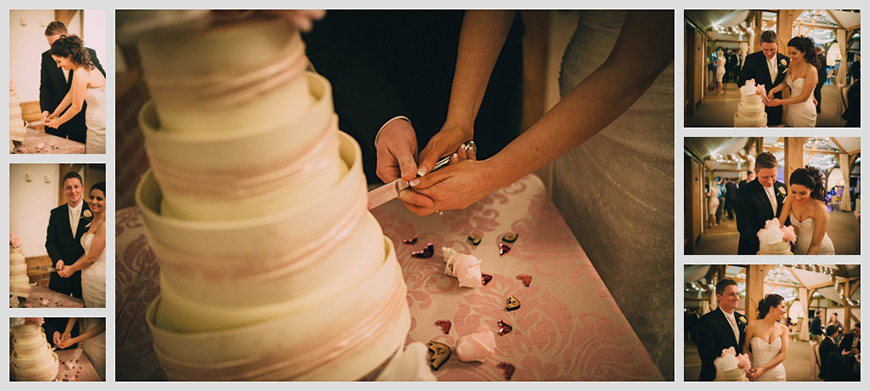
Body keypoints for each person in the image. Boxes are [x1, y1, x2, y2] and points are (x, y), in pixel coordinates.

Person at [396, 11, 674, 374]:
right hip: (574, 124)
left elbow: (633, 65)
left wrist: (489, 176)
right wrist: (459, 120)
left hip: (651, 120)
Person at [303, 10, 524, 184]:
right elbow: (325, 26)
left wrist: (461, 121)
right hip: (369, 74)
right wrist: (384, 121)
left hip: (479, 64)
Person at [39, 21, 105, 144]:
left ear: (68, 54)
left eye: (59, 61)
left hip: (97, 122)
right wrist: (55, 113)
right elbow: (71, 93)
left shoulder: (81, 72)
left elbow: (76, 106)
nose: (58, 66)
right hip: (92, 121)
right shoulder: (80, 67)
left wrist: (57, 122)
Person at [57, 182, 106, 307]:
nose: (94, 201)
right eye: (92, 197)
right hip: (88, 277)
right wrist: (71, 267)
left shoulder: (106, 224)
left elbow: (92, 258)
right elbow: (87, 253)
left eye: (99, 198)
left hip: (99, 277)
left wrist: (72, 269)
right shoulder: (94, 220)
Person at [45, 172, 90, 298]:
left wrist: (75, 267)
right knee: (57, 312)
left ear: (82, 188)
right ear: (63, 190)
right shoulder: (56, 214)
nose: (73, 191)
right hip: (60, 271)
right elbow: (50, 242)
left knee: (84, 313)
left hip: (84, 273)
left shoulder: (94, 211)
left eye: (76, 186)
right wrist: (57, 259)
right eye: (68, 187)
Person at [735, 152, 787, 254]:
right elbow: (744, 226)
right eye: (765, 177)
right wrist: (764, 243)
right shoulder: (745, 191)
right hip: (754, 246)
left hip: (779, 246)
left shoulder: (782, 187)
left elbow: (785, 215)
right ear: (756, 172)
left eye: (773, 176)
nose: (770, 181)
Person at [695, 279, 746, 381]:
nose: (736, 298)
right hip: (716, 376)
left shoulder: (742, 319)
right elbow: (707, 354)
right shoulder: (706, 321)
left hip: (738, 376)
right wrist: (731, 366)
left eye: (737, 294)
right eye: (731, 294)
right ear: (719, 296)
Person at [777, 166, 835, 254]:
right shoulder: (791, 197)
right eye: (793, 192)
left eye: (802, 193)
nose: (797, 197)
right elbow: (780, 223)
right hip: (799, 249)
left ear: (811, 189)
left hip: (820, 251)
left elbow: (815, 245)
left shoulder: (820, 209)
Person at [765, 36, 819, 127]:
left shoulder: (811, 70)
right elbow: (785, 83)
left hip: (804, 110)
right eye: (789, 53)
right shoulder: (792, 64)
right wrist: (773, 90)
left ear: (804, 52)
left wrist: (779, 102)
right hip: (791, 108)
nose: (790, 56)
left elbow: (804, 97)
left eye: (794, 53)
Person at [738, 30, 789, 126]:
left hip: (776, 104)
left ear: (777, 45)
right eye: (765, 50)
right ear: (761, 46)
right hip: (757, 105)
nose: (769, 53)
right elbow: (741, 81)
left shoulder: (785, 60)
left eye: (772, 49)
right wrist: (759, 94)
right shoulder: (751, 59)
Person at [743, 294, 788, 381]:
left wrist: (762, 369)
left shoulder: (783, 329)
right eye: (782, 307)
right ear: (772, 308)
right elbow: (745, 349)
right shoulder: (753, 325)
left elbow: (783, 355)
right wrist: (749, 366)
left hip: (777, 374)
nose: (785, 311)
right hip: (756, 372)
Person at [814, 46, 827, 113]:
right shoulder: (823, 57)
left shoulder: (819, 58)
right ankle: (817, 108)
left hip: (820, 78)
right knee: (817, 92)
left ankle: (818, 108)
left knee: (817, 92)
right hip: (822, 77)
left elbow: (817, 68)